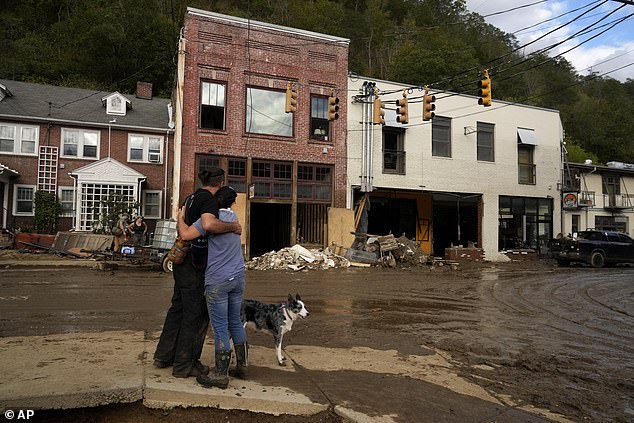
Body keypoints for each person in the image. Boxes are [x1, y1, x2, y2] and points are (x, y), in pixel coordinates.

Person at [153, 168, 241, 378]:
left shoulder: (190, 197)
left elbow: (182, 225)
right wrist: (232, 227)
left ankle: (164, 355)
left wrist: (181, 219)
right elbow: (209, 224)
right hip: (195, 266)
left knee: (178, 309)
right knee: (197, 314)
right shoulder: (208, 201)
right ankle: (185, 364)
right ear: (220, 184)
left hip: (181, 263)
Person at [177, 186, 247, 389]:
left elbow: (185, 235)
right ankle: (242, 366)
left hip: (218, 280)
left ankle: (220, 373)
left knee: (220, 327)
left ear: (215, 202)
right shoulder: (235, 220)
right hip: (238, 277)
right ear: (232, 202)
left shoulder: (210, 221)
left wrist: (181, 216)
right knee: (235, 320)